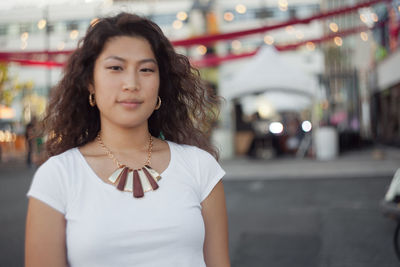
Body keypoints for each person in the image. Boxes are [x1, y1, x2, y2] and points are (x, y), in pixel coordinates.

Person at [25, 12, 230, 267]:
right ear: (90, 82)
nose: (131, 83)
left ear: (160, 84)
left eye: (146, 69)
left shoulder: (200, 167)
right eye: (115, 68)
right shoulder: (58, 176)